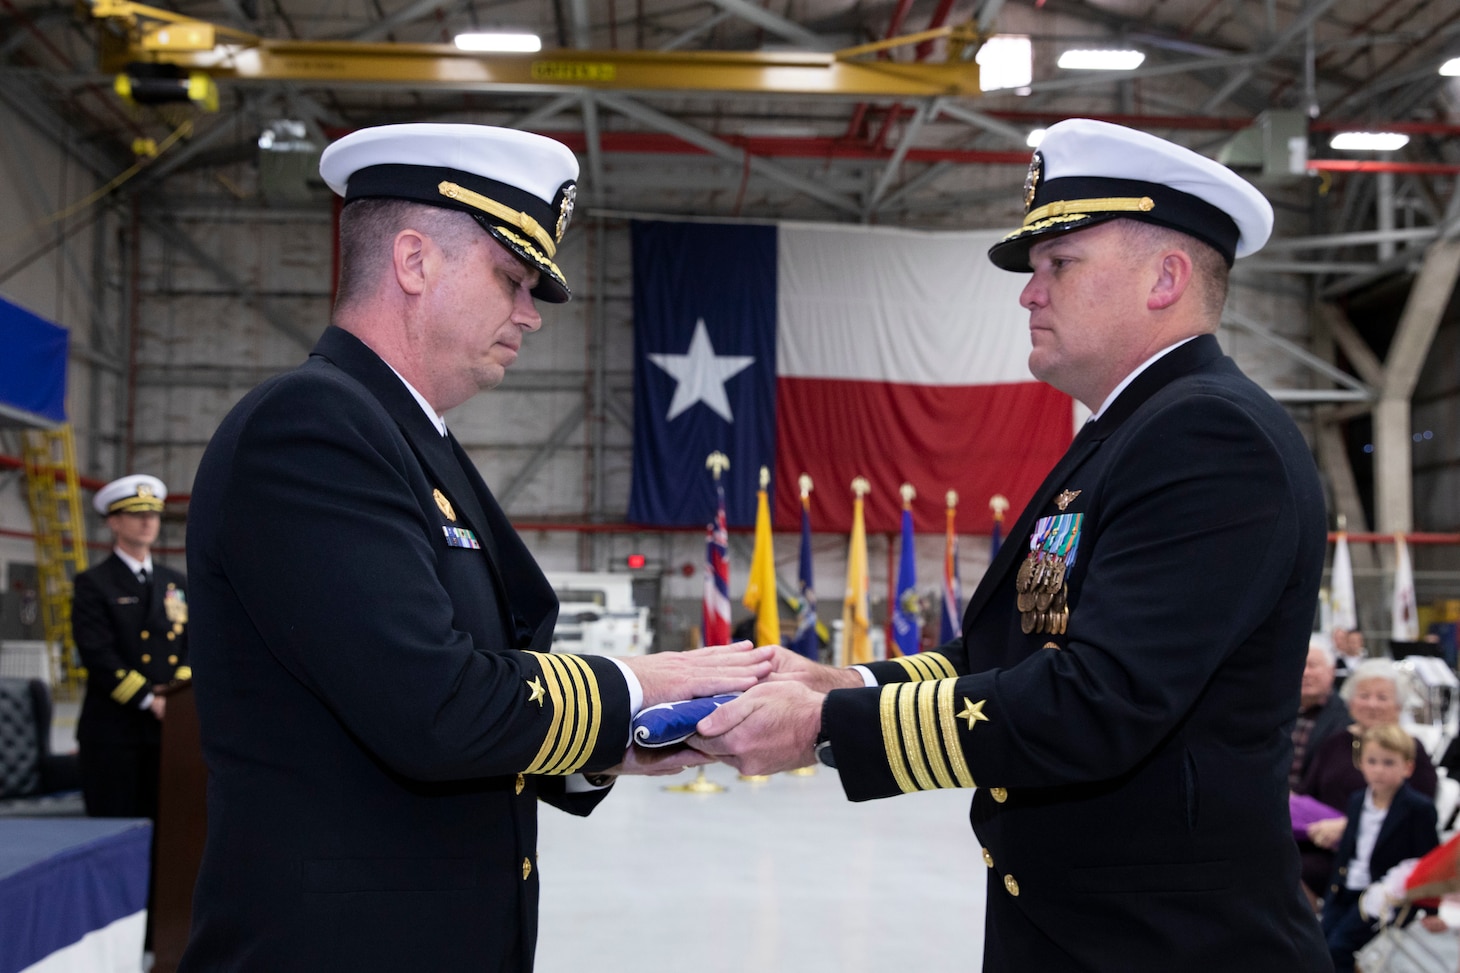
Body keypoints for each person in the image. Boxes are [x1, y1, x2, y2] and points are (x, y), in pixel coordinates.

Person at [690, 118, 1331, 970]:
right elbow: (1009, 652)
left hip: (1175, 946)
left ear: (1166, 278)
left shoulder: (1210, 436)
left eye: (1058, 265)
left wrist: (828, 724)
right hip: (1086, 930)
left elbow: (1100, 699)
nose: (1029, 293)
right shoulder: (1128, 434)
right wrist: (848, 679)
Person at [180, 124, 771, 972]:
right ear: (414, 261)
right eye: (512, 278)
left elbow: (476, 679)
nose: (529, 313)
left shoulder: (409, 439)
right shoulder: (310, 428)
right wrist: (642, 682)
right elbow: (435, 704)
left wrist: (622, 740)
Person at [72, 473, 190, 819]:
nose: (146, 522)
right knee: (116, 831)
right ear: (113, 522)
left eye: (152, 514)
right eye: (136, 514)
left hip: (170, 727)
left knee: (169, 834)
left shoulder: (175, 582)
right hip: (115, 731)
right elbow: (97, 652)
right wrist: (150, 700)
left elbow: (191, 644)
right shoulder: (94, 583)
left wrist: (177, 693)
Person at [1298, 658, 1438, 897]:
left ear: (1398, 706)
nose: (1372, 704)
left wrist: (1348, 826)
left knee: (1298, 873)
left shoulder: (1409, 749)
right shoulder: (1335, 743)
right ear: (1350, 703)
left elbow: (1416, 812)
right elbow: (1307, 794)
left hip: (1374, 853)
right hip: (1319, 843)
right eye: (1364, 695)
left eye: (1382, 697)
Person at [1321, 723, 1439, 973]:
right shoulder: (1356, 800)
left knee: (1338, 947)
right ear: (1360, 763)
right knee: (1317, 941)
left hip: (1384, 896)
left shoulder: (1418, 808)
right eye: (1372, 761)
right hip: (1345, 888)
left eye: (1388, 763)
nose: (1378, 770)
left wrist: (1431, 909)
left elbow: (1428, 859)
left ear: (1407, 767)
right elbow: (1348, 851)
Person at [1294, 637, 1351, 789]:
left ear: (1331, 671)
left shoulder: (1347, 717)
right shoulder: (1278, 712)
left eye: (1312, 666)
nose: (1305, 673)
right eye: (1299, 665)